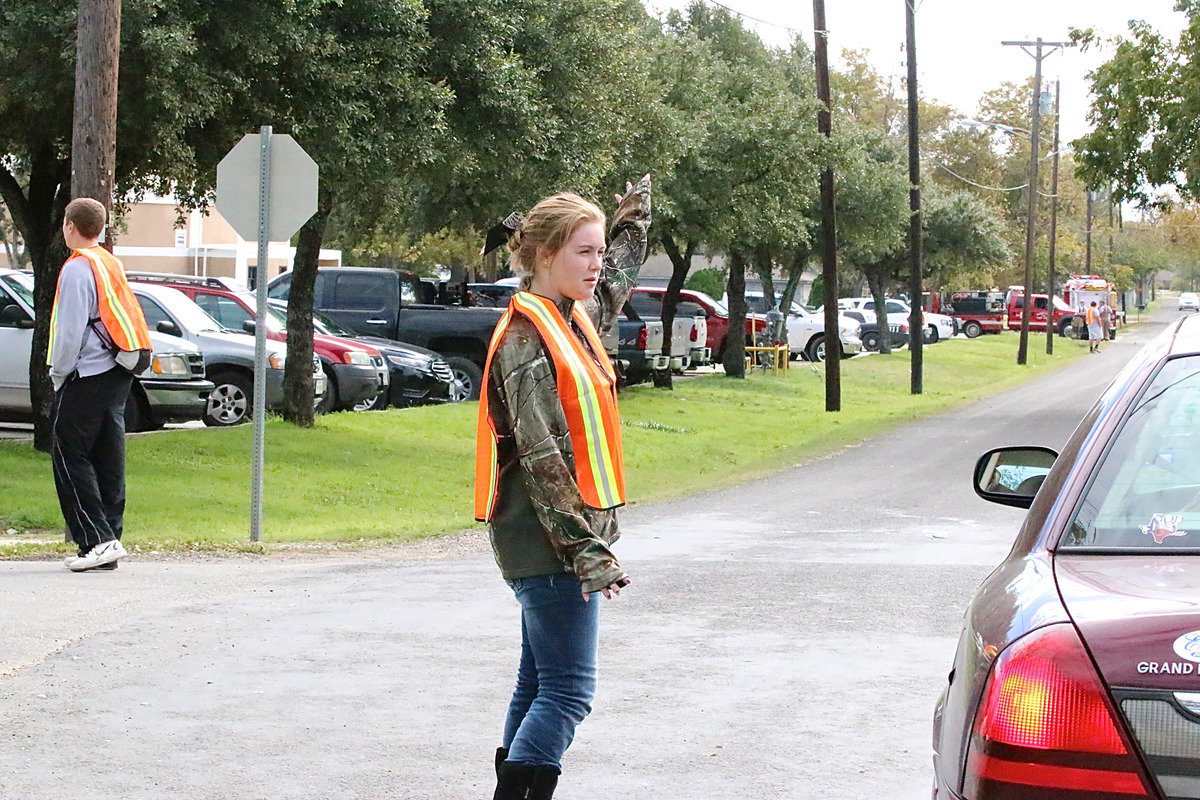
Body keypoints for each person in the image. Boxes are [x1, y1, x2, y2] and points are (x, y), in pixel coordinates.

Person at [475, 177, 650, 800]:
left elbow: (616, 286)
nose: (598, 264)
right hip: (547, 540)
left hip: (552, 540)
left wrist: (632, 222)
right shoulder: (528, 341)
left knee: (538, 684)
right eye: (584, 251)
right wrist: (586, 552)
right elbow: (544, 458)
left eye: (600, 250)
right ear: (544, 255)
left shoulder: (570, 319)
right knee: (570, 691)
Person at [49, 197, 153, 572]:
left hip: (87, 373)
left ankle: (97, 539)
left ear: (70, 226)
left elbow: (69, 331)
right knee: (108, 455)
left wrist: (58, 373)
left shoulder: (77, 268)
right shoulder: (109, 261)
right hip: (118, 369)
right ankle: (110, 538)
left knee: (68, 454)